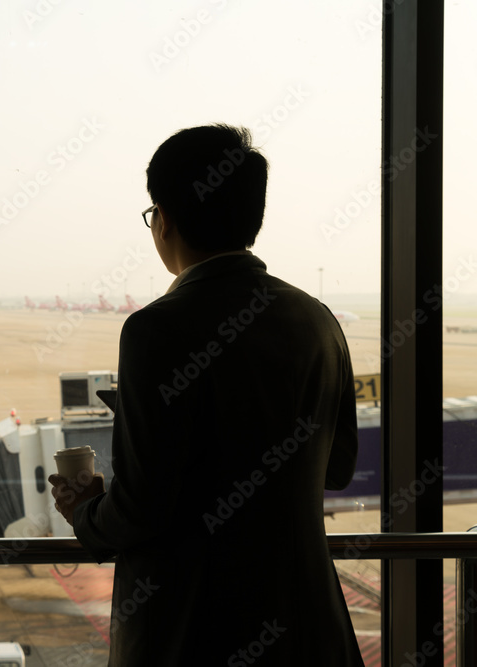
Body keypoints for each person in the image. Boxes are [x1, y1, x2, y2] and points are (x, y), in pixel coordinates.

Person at [50, 124, 363, 666]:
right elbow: (337, 469)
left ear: (164, 220)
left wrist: (86, 514)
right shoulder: (319, 321)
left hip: (191, 632)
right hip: (309, 629)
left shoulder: (156, 329)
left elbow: (144, 507)